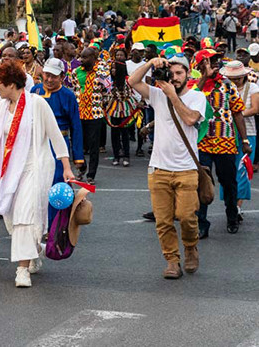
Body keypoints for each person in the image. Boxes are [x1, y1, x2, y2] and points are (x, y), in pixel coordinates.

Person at [0, 61, 75, 288]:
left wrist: (67, 167)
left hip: (34, 166)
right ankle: (34, 251)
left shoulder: (37, 104)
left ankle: (22, 270)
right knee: (12, 220)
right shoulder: (3, 108)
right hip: (9, 170)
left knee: (25, 216)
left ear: (12, 84)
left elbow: (56, 136)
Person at [129, 55, 207, 279]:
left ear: (188, 75)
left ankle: (191, 246)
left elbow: (191, 119)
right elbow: (132, 82)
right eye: (171, 73)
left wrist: (172, 96)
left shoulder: (196, 97)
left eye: (179, 73)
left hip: (187, 169)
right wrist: (150, 63)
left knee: (187, 217)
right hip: (159, 169)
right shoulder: (156, 94)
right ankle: (172, 261)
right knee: (163, 221)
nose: (174, 77)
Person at [193, 49, 251, 238]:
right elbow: (190, 103)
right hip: (202, 143)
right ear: (201, 65)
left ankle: (232, 217)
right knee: (202, 184)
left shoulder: (228, 85)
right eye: (210, 60)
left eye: (217, 60)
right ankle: (202, 223)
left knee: (229, 183)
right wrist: (204, 78)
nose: (216, 63)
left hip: (225, 143)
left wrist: (244, 140)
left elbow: (238, 113)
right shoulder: (195, 85)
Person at [31, 58, 85, 227]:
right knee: (35, 182)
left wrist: (78, 157)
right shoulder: (35, 90)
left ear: (62, 76)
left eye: (53, 76)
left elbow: (76, 126)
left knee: (56, 184)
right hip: (37, 142)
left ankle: (56, 224)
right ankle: (36, 221)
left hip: (58, 145)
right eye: (46, 75)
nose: (48, 79)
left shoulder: (68, 95)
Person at [218, 61, 259, 220]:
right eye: (231, 77)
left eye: (237, 77)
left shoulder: (253, 88)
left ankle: (237, 206)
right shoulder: (222, 88)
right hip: (226, 134)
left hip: (247, 133)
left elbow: (256, 108)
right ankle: (230, 203)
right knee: (227, 171)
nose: (234, 80)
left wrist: (237, 114)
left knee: (242, 170)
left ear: (243, 76)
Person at [73, 47, 111, 185]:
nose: (82, 60)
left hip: (95, 114)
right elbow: (76, 90)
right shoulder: (76, 73)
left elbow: (108, 90)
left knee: (94, 146)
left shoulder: (102, 73)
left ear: (94, 58)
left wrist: (102, 104)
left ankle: (91, 175)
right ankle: (81, 168)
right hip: (79, 114)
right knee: (79, 144)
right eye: (81, 57)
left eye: (85, 57)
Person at [107, 57, 139, 167]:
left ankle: (126, 156)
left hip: (125, 108)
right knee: (114, 133)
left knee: (124, 133)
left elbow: (128, 94)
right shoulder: (109, 80)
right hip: (114, 108)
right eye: (112, 69)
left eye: (115, 68)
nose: (113, 71)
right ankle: (116, 156)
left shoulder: (127, 81)